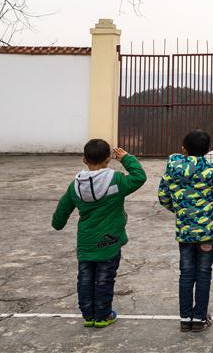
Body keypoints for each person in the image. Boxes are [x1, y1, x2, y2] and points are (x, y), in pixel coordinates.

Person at [51, 139, 147, 328]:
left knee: (85, 279)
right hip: (109, 242)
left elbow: (62, 210)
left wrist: (57, 224)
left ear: (84, 159)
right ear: (109, 159)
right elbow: (139, 177)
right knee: (105, 279)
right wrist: (127, 158)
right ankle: (103, 315)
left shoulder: (75, 186)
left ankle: (89, 316)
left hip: (86, 242)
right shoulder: (117, 181)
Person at [157, 130, 213, 332]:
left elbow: (163, 196)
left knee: (186, 274)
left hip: (185, 231)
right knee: (204, 273)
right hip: (207, 232)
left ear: (183, 149)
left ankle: (185, 317)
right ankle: (199, 319)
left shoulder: (172, 168)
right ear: (207, 151)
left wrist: (181, 211)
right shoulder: (211, 170)